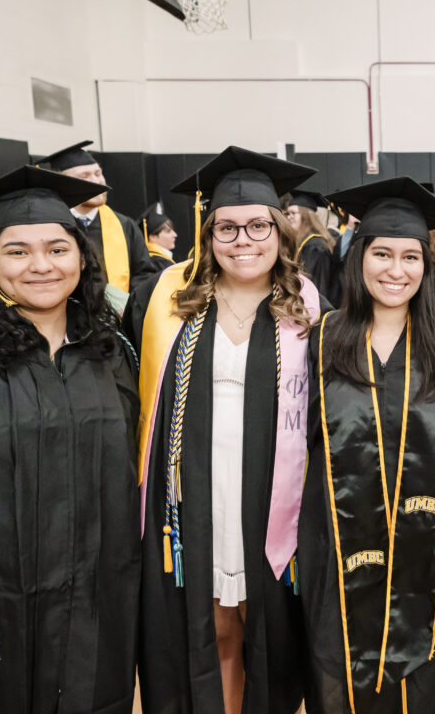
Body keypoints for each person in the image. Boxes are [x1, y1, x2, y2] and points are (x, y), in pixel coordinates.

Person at [0, 166, 140, 712]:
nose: (42, 265)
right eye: (17, 251)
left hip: (90, 605)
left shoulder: (109, 350)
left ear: (82, 257)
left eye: (58, 248)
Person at [125, 146, 320, 714]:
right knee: (211, 620)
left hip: (269, 492)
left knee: (259, 619)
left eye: (258, 225)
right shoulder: (166, 301)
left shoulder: (308, 309)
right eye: (227, 228)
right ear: (207, 235)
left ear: (280, 233)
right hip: (197, 492)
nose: (243, 240)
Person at [299, 176, 435, 714]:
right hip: (339, 549)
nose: (396, 271)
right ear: (358, 257)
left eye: (411, 257)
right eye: (382, 254)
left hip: (430, 557)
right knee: (340, 672)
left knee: (421, 685)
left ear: (428, 264)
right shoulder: (321, 341)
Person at [37, 140, 156, 311]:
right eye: (84, 176)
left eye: (98, 173)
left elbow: (144, 273)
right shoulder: (51, 226)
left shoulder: (124, 225)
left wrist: (131, 307)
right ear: (63, 184)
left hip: (121, 319)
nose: (97, 181)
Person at [285, 183, 343, 306]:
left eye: (293, 213)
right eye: (287, 214)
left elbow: (318, 287)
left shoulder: (316, 247)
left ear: (306, 216)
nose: (289, 217)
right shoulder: (303, 242)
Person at [139, 202, 178, 273]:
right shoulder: (156, 262)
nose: (175, 235)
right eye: (168, 231)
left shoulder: (161, 260)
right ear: (153, 237)